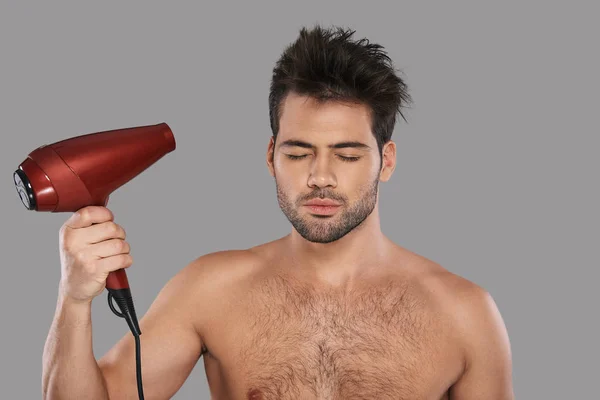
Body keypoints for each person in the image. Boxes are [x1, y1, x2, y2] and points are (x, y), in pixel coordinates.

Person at [42, 24, 514, 400]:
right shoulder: (210, 289)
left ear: (385, 161)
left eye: (347, 155)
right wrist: (75, 298)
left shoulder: (463, 314)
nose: (320, 176)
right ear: (269, 155)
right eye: (297, 152)